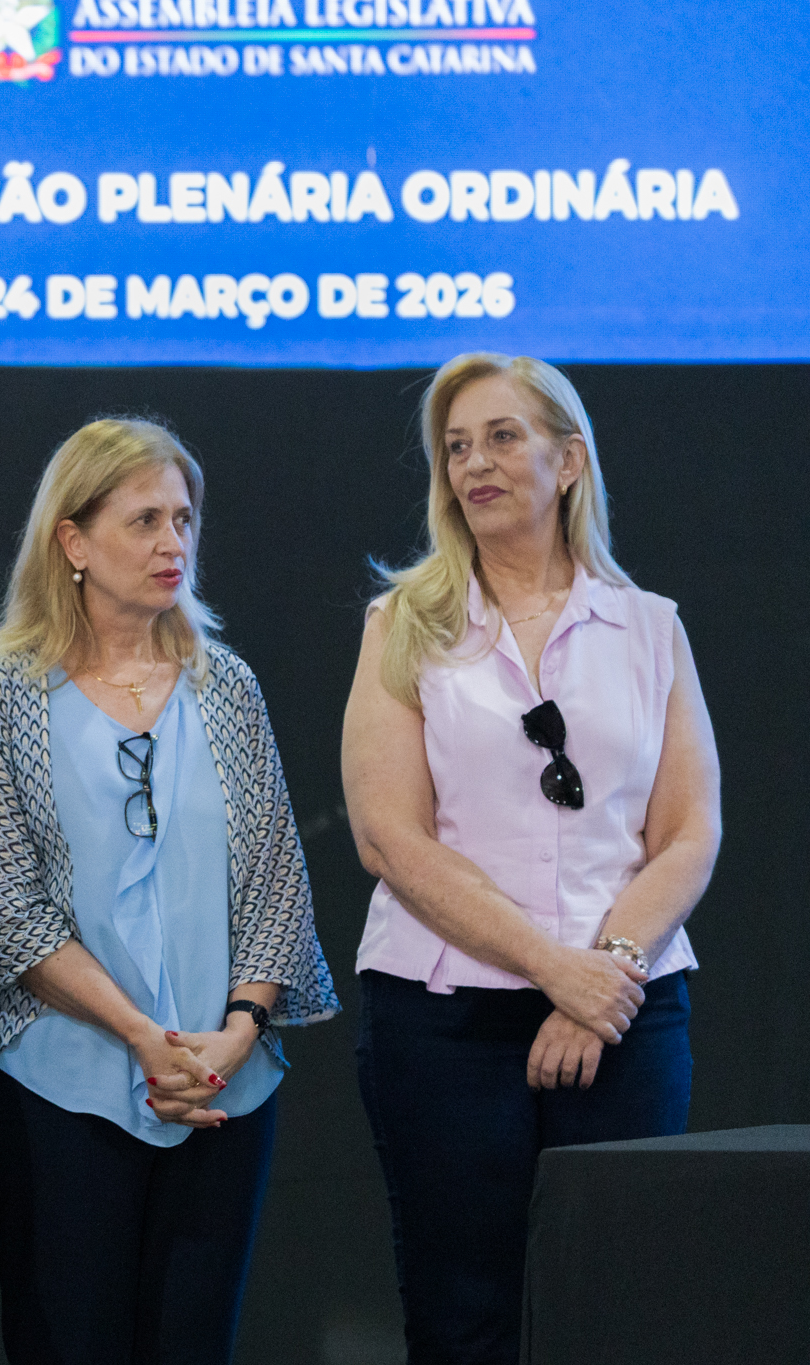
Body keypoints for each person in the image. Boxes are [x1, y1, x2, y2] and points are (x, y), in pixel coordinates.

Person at [342, 354, 719, 1364]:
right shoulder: (401, 624)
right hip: (444, 1020)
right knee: (464, 1317)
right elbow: (386, 836)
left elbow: (688, 832)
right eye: (456, 447)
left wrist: (606, 979)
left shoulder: (649, 628)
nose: (475, 463)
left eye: (502, 438)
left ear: (569, 460)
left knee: (616, 1312)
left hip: (626, 1014)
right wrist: (558, 970)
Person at [0, 416, 338, 1365]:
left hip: (221, 1084)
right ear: (72, 542)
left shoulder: (225, 684)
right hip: (55, 1090)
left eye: (184, 519)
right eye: (145, 520)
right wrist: (139, 1035)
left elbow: (277, 880)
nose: (174, 542)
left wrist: (236, 1032)